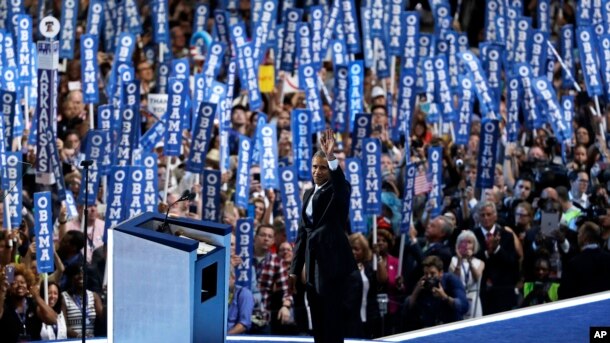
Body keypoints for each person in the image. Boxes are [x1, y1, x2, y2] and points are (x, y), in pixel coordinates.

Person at [288, 129, 361, 342]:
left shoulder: (338, 190)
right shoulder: (308, 194)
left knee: (332, 324)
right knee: (318, 322)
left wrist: (331, 158)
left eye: (322, 168)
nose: (317, 172)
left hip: (334, 267)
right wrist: (294, 270)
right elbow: (302, 234)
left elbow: (341, 185)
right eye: (314, 167)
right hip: (312, 267)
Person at [404, 256, 469, 330]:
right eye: (426, 273)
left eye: (432, 273)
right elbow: (407, 309)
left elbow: (464, 306)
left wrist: (445, 297)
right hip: (430, 329)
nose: (429, 276)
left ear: (440, 273)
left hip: (452, 328)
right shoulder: (423, 284)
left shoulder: (451, 280)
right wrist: (416, 291)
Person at [0, 263, 58, 341]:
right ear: (9, 287)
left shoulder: (33, 304)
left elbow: (53, 320)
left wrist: (37, 297)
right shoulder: (4, 304)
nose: (19, 285)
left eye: (23, 282)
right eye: (14, 283)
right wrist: (2, 291)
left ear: (28, 285)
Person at [559, 222, 610, 299]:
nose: (577, 236)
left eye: (579, 234)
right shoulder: (607, 258)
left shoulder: (574, 263)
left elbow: (564, 293)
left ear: (584, 237)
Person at [449, 230, 485, 318]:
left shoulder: (480, 262)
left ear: (474, 246)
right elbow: (454, 279)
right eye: (463, 242)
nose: (466, 245)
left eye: (469, 242)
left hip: (474, 299)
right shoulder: (452, 260)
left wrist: (469, 261)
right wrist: (459, 261)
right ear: (458, 245)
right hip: (458, 298)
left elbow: (476, 277)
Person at [62, 264, 104, 338]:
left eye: (83, 273)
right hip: (73, 340)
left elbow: (103, 319)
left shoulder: (94, 296)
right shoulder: (63, 297)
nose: (81, 276)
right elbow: (63, 326)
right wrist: (79, 336)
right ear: (70, 277)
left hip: (92, 340)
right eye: (77, 273)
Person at [227, 269, 254, 334]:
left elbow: (244, 324)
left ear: (233, 278)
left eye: (225, 278)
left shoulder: (244, 294)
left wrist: (224, 338)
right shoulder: (217, 296)